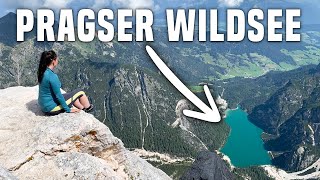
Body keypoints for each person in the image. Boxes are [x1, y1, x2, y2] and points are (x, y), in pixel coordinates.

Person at [37, 50, 93, 116]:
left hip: (44, 105)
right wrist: (68, 110)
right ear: (53, 61)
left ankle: (82, 109)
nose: (57, 61)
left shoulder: (42, 72)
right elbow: (58, 96)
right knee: (80, 92)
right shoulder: (52, 76)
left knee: (71, 95)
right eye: (57, 59)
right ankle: (88, 109)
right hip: (51, 109)